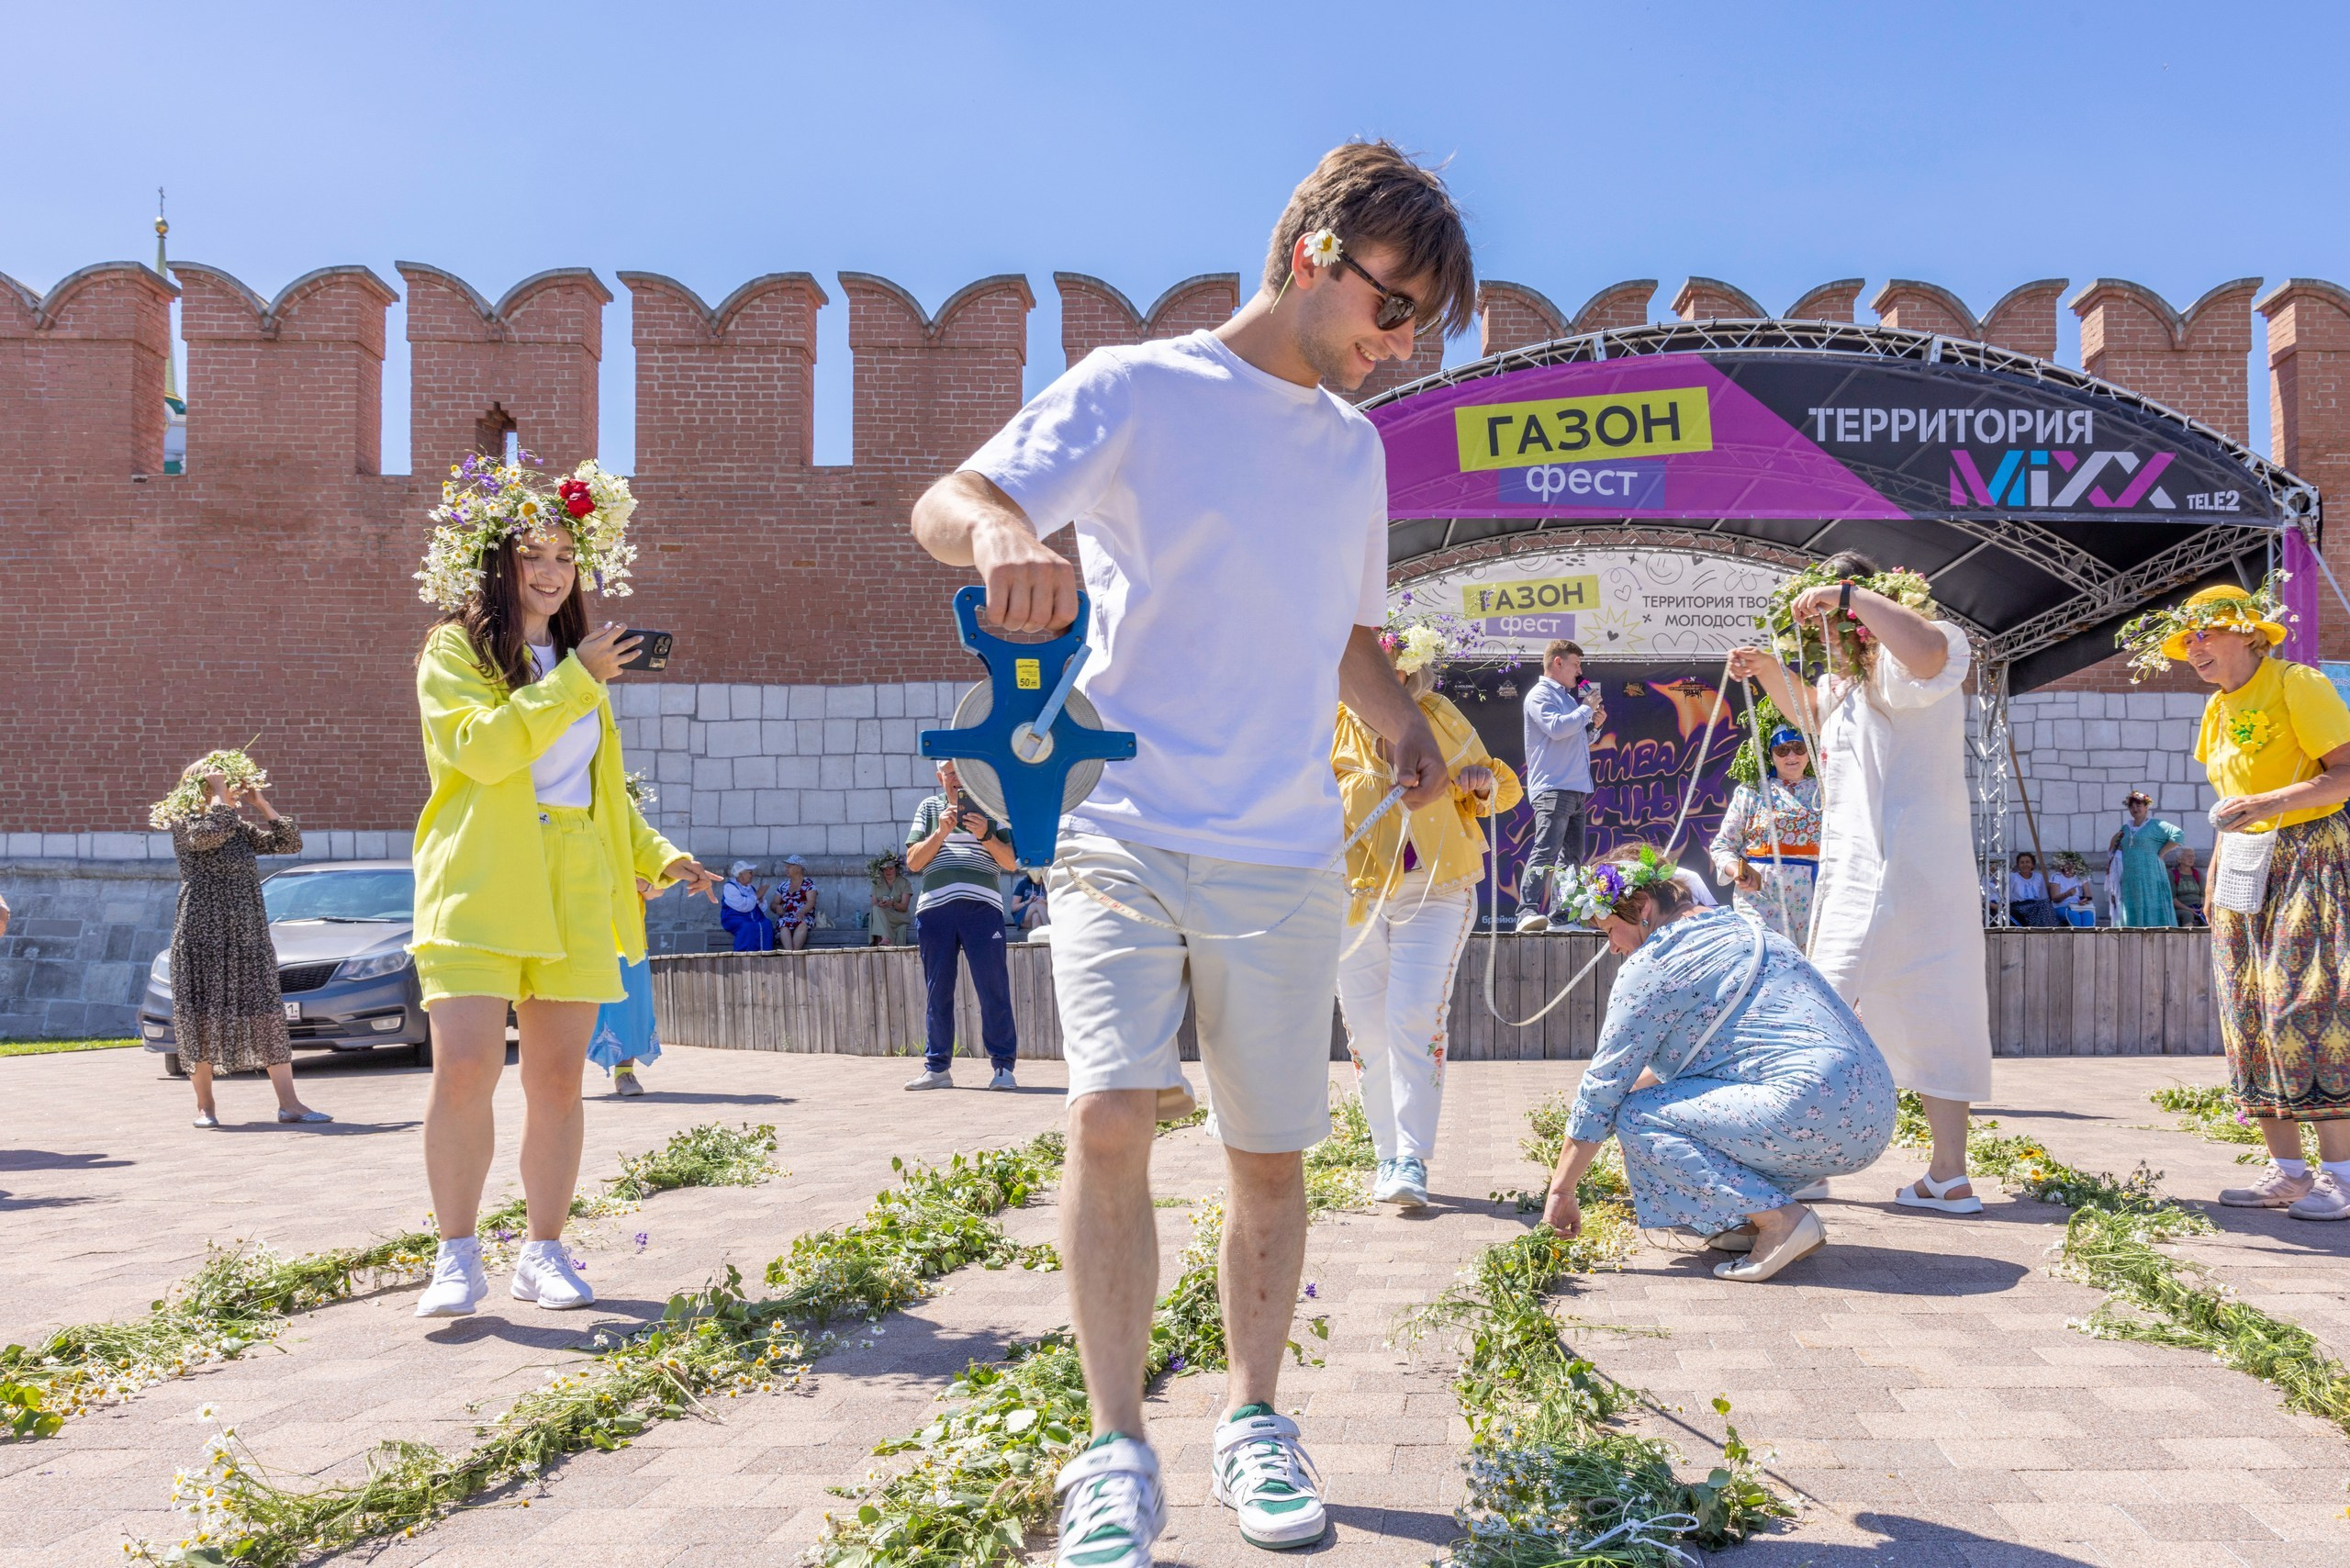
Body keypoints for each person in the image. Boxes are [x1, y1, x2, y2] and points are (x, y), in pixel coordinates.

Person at [910, 140, 1473, 1565]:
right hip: (1118, 824)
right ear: (1314, 256)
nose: (1400, 349)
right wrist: (998, 538)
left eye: (1421, 329)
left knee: (1267, 1157)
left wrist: (1405, 727)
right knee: (1109, 1114)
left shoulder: (1351, 451)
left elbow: (1347, 631)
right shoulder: (1138, 387)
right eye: (1394, 311)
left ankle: (1255, 1420)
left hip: (1281, 844)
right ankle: (1113, 1449)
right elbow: (953, 498)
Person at [406, 453, 718, 1318]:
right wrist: (578, 677)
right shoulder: (455, 648)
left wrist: (661, 857)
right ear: (497, 564)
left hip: (577, 878)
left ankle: (543, 1251)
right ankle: (456, 1254)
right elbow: (483, 751)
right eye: (532, 556)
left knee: (557, 1082)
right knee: (465, 1069)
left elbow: (595, 787)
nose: (549, 572)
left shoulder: (578, 664)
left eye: (563, 558)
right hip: (483, 876)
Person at [1729, 553, 1992, 1218]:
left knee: (1898, 1007)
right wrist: (1766, 671)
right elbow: (1815, 714)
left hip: (1913, 870)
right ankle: (1885, 1170)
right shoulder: (1844, 680)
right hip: (1859, 871)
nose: (1824, 625)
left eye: (1830, 612)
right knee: (1849, 1006)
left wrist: (1848, 594)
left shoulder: (1916, 651)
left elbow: (1931, 653)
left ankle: (1914, 1173)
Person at [1540, 846, 1895, 1282]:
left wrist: (1562, 1189)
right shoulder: (1743, 925)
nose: (1612, 947)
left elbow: (1603, 1088)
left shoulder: (1654, 965)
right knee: (1656, 1103)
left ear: (1644, 908)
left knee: (1635, 1117)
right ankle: (1750, 1219)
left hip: (1807, 1108)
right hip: (1874, 1110)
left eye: (1610, 929)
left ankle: (1780, 1221)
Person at [2118, 581, 2350, 1218]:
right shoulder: (2216, 708)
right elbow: (2229, 801)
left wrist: (2272, 803)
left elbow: (2345, 770)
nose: (2194, 648)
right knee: (2247, 1008)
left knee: (2305, 1004)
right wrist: (2217, 874)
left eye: (2206, 633)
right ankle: (2287, 1171)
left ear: (2248, 632)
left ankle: (2342, 1173)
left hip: (2308, 852)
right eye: (2188, 638)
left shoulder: (2296, 683)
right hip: (2246, 859)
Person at [1333, 617, 1521, 1209]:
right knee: (1366, 1026)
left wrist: (1479, 782)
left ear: (1413, 670)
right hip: (1353, 893)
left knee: (1413, 1013)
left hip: (1436, 888)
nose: (1390, 679)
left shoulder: (1439, 716)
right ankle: (1387, 1153)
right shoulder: (1328, 725)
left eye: (1398, 669)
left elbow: (1503, 790)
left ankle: (1409, 1156)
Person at [155, 758, 329, 1128]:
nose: (228, 788)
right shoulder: (188, 822)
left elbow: (288, 842)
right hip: (201, 930)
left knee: (266, 1013)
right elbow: (207, 835)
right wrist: (221, 795)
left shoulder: (236, 825)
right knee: (199, 1016)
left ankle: (290, 1105)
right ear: (198, 787)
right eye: (219, 782)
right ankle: (206, 1108)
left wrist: (261, 805)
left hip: (247, 932)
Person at [901, 759, 1021, 1091]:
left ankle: (1002, 1069)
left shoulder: (992, 808)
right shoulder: (928, 808)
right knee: (937, 990)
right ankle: (937, 1068)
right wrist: (940, 832)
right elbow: (913, 862)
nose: (956, 778)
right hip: (935, 909)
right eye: (950, 772)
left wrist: (984, 834)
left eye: (962, 770)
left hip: (983, 909)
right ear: (940, 777)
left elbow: (1011, 862)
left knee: (993, 987)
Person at [1515, 639, 1606, 931]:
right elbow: (1557, 728)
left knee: (1572, 858)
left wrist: (1595, 725)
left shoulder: (1568, 699)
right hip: (1553, 786)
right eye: (1576, 664)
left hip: (1576, 787)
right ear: (1558, 662)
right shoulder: (1540, 694)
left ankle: (1562, 916)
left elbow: (1578, 738)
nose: (1580, 671)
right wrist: (1585, 710)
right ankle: (1526, 912)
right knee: (1546, 850)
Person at [1707, 723, 1821, 945]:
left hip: (1812, 896)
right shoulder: (1751, 792)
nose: (1791, 755)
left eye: (1798, 748)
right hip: (1760, 895)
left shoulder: (1824, 792)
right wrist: (1738, 873)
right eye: (1782, 749)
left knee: (1811, 966)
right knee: (1767, 961)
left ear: (1809, 752)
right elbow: (1722, 846)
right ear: (1771, 754)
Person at [589, 879, 664, 1096]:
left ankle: (624, 1073)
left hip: (628, 941)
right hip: (580, 936)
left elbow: (658, 889)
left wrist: (641, 885)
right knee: (573, 1005)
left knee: (627, 1008)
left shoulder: (632, 845)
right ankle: (563, 1075)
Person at [2109, 791, 2183, 927]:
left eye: (2139, 805)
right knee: (2131, 905)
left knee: (2150, 902)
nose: (2135, 809)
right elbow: (2114, 848)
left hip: (2150, 874)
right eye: (2132, 806)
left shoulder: (2156, 825)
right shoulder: (2126, 827)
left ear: (2146, 807)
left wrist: (2162, 851)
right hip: (2130, 878)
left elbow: (2178, 835)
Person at [718, 861, 774, 951]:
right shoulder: (730, 887)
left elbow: (761, 908)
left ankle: (765, 954)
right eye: (750, 873)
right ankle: (745, 956)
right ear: (740, 874)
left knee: (766, 924)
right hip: (735, 918)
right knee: (748, 927)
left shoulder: (750, 888)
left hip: (753, 919)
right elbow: (742, 906)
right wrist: (756, 896)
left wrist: (761, 900)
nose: (752, 875)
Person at [769, 855, 816, 951]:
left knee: (803, 924)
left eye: (789, 866)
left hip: (803, 917)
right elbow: (773, 903)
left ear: (798, 869)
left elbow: (811, 901)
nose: (786, 869)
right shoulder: (783, 885)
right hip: (786, 917)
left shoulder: (808, 884)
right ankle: (792, 955)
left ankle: (793, 955)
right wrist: (777, 908)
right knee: (783, 924)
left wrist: (802, 911)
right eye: (786, 866)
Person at [868, 853, 913, 946]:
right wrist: (880, 904)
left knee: (876, 913)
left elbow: (904, 907)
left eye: (891, 869)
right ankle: (885, 939)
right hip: (883, 916)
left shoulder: (904, 883)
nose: (888, 871)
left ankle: (885, 939)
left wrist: (893, 904)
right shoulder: (877, 883)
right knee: (875, 909)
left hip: (899, 917)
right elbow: (873, 904)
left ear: (896, 869)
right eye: (885, 869)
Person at [2007, 851, 2061, 928]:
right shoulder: (2013, 877)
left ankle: (2050, 931)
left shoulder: (2038, 877)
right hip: (2020, 907)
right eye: (2022, 862)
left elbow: (2043, 896)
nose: (2025, 865)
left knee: (2046, 905)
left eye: (2027, 862)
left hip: (2036, 906)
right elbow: (2007, 895)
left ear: (2032, 865)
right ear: (2018, 865)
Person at [2048, 852, 2096, 927]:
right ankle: (2078, 938)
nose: (2068, 866)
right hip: (2061, 907)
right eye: (2066, 863)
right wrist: (2066, 894)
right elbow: (2054, 898)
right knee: (2074, 915)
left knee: (2088, 915)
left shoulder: (2082, 876)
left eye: (2071, 863)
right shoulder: (2057, 876)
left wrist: (2085, 900)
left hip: (2078, 906)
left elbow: (2089, 896)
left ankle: (2087, 938)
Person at [2171, 846, 2208, 927]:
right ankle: (2187, 939)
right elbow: (2173, 898)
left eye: (2193, 856)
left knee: (2208, 914)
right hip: (2181, 909)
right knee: (2187, 914)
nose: (2191, 858)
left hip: (2198, 907)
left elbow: (2204, 894)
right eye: (2188, 856)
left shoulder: (2198, 874)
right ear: (2179, 859)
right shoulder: (2172, 875)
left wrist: (2203, 907)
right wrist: (2189, 909)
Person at [1011, 871, 1051, 936]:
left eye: (1040, 878)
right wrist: (1028, 901)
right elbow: (1013, 908)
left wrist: (1044, 901)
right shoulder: (1023, 884)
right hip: (1022, 918)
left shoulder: (1046, 885)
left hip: (1040, 917)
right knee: (1038, 903)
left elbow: (1053, 905)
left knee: (1036, 916)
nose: (1038, 880)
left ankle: (1039, 942)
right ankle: (1050, 928)